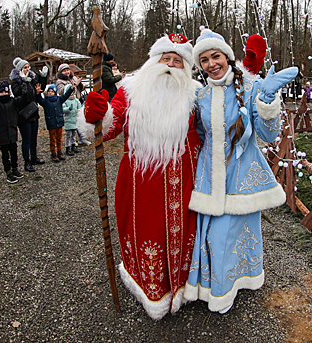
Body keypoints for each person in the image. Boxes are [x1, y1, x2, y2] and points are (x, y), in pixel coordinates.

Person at [80, 33, 201, 320]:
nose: (170, 66)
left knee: (187, 234)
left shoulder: (196, 94)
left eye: (178, 61)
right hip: (141, 185)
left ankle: (185, 286)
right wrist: (97, 115)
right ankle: (151, 289)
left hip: (185, 184)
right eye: (165, 59)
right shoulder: (130, 89)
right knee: (146, 232)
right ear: (153, 61)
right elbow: (108, 128)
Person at [183, 29, 297, 314]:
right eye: (205, 59)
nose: (212, 64)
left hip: (241, 178)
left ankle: (225, 291)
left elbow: (269, 135)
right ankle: (208, 287)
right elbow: (199, 135)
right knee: (208, 235)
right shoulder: (202, 95)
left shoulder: (251, 87)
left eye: (216, 56)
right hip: (209, 178)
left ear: (227, 57)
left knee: (227, 236)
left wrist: (268, 99)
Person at [9, 57, 47, 172]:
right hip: (23, 114)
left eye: (28, 67)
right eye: (25, 67)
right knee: (26, 139)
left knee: (34, 137)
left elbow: (39, 89)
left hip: (33, 112)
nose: (28, 69)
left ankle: (34, 156)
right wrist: (24, 81)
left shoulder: (31, 78)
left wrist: (43, 78)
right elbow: (19, 95)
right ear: (20, 69)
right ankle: (27, 161)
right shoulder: (16, 81)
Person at [0, 81, 25, 183]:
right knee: (5, 154)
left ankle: (15, 169)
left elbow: (22, 100)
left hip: (12, 130)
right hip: (2, 132)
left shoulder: (12, 101)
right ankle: (8, 172)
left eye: (5, 92)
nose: (3, 94)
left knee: (14, 152)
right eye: (1, 92)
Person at [55, 63, 91, 147]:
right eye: (64, 71)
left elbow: (81, 89)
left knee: (80, 119)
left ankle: (82, 138)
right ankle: (71, 141)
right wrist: (72, 85)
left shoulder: (73, 77)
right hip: (68, 103)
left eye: (67, 70)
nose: (67, 72)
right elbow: (61, 92)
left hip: (77, 100)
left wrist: (80, 84)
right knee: (72, 122)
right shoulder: (60, 81)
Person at [35, 84, 74, 162]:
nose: (50, 93)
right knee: (52, 140)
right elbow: (39, 100)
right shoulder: (45, 101)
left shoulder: (59, 99)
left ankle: (59, 152)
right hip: (51, 123)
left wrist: (71, 88)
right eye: (49, 91)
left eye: (52, 91)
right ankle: (53, 153)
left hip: (59, 122)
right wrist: (37, 93)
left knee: (59, 139)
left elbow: (66, 95)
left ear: (55, 92)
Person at [62, 84, 82, 155]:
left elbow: (79, 108)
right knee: (68, 135)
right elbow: (63, 109)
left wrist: (82, 108)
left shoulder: (76, 100)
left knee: (74, 134)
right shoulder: (65, 101)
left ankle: (73, 145)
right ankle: (67, 147)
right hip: (68, 120)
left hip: (74, 120)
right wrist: (68, 109)